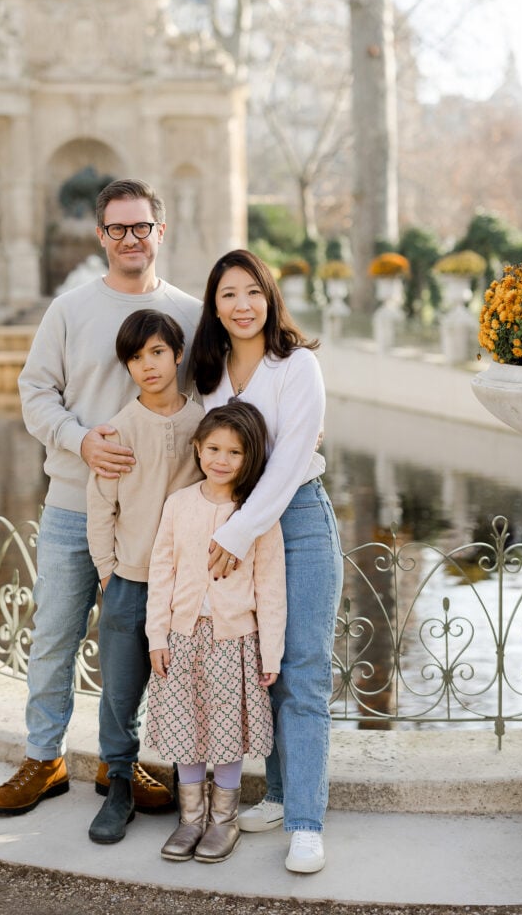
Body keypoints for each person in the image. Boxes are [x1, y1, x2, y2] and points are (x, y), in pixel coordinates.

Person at [0, 179, 201, 817]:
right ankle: (43, 758)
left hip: (153, 518)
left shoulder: (191, 314)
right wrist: (81, 442)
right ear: (101, 236)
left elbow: (216, 403)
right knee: (54, 632)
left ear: (161, 232)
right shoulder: (68, 310)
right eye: (117, 229)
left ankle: (120, 765)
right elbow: (35, 393)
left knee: (131, 644)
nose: (130, 239)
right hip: (74, 503)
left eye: (141, 228)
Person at [190, 249, 343, 875]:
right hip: (234, 528)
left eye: (253, 292)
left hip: (297, 523)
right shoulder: (208, 374)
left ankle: (306, 823)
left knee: (303, 670)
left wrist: (236, 535)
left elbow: (286, 464)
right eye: (229, 295)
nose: (243, 305)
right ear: (215, 305)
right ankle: (278, 795)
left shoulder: (297, 365)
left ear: (270, 296)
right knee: (262, 668)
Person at [145, 401, 286, 864]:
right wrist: (157, 637)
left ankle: (223, 820)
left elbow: (270, 585)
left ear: (251, 459)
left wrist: (271, 651)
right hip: (182, 638)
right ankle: (190, 819)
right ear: (197, 448)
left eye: (235, 452)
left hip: (235, 641)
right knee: (187, 730)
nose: (222, 460)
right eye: (213, 448)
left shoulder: (256, 514)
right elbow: (161, 571)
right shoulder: (179, 504)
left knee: (225, 733)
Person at [85, 309, 204, 844]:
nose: (147, 365)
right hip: (130, 583)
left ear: (177, 354)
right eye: (135, 357)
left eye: (157, 352)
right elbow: (100, 510)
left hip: (185, 584)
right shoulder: (118, 430)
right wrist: (110, 576)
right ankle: (118, 787)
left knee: (187, 686)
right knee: (120, 691)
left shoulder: (205, 424)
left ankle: (189, 787)